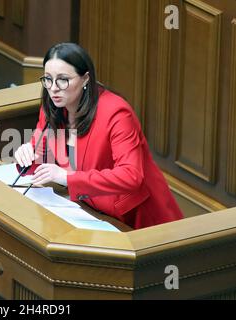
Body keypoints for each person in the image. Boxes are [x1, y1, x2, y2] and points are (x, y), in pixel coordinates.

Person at [14, 42, 183, 229]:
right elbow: (42, 160)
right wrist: (27, 155)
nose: (53, 88)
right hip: (89, 212)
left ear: (85, 79)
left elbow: (131, 176)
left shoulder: (116, 113)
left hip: (134, 220)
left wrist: (67, 178)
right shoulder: (52, 108)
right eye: (47, 79)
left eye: (63, 80)